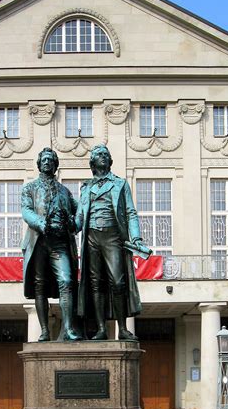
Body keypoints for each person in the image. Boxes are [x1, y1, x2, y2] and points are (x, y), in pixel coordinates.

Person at [75, 144, 146, 341]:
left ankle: (122, 328)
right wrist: (68, 227)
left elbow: (131, 212)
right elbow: (80, 216)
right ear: (92, 162)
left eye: (106, 154)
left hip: (113, 236)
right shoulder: (86, 187)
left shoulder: (120, 184)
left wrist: (136, 237)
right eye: (99, 155)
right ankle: (101, 329)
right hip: (91, 238)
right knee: (96, 283)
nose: (103, 157)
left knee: (118, 281)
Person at [21, 147, 81, 342]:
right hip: (39, 241)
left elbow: (79, 210)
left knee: (66, 281)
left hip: (59, 243)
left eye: (50, 160)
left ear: (55, 165)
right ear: (39, 164)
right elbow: (26, 211)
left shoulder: (64, 191)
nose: (47, 162)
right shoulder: (29, 188)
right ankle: (45, 330)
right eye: (44, 159)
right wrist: (42, 223)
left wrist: (74, 224)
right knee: (40, 286)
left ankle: (68, 329)